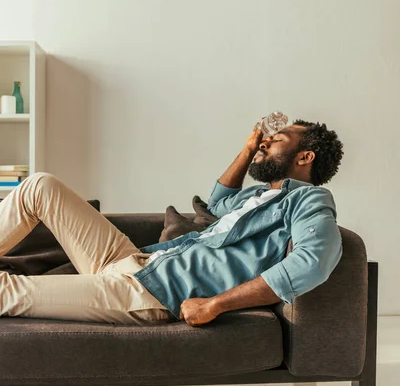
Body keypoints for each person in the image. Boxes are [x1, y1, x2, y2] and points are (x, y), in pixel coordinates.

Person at [0, 118, 344, 327]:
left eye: (277, 140)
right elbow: (219, 201)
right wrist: (247, 150)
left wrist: (214, 304)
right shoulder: (257, 198)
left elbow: (313, 261)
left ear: (304, 157)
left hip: (150, 293)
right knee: (39, 186)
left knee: (6, 291)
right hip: (135, 261)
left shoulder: (307, 200)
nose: (267, 142)